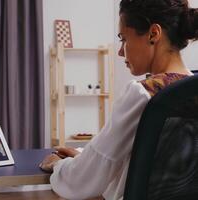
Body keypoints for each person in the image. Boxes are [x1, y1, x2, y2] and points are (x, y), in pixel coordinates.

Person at [40, 0, 198, 199]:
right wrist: (85, 158)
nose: (120, 51)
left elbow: (81, 182)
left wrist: (59, 165)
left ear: (153, 34)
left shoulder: (143, 94)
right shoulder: (191, 90)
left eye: (123, 39)